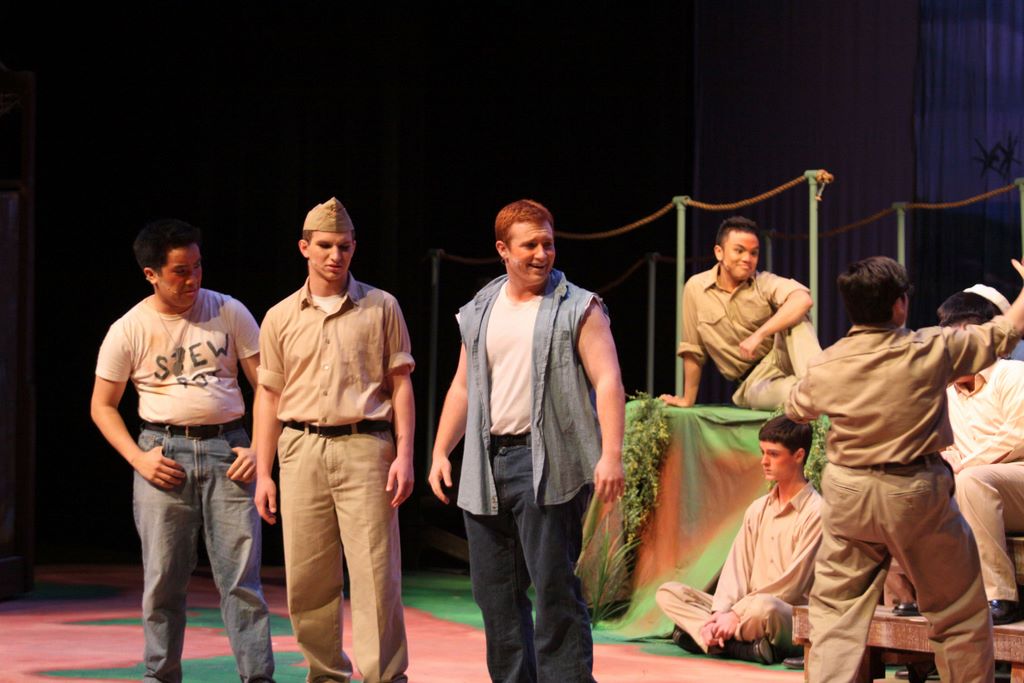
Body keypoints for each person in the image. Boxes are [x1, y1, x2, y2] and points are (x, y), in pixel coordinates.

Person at [786, 255, 1024, 682]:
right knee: (958, 614)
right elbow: (1004, 331)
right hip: (913, 492)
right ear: (900, 305)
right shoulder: (930, 348)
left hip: (849, 496)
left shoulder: (828, 362)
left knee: (835, 617)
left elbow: (796, 408)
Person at [428, 198, 626, 682]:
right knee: (495, 596)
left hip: (547, 463)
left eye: (548, 244)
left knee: (555, 591)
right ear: (503, 249)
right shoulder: (481, 308)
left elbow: (608, 381)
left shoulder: (578, 307)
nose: (542, 254)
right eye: (530, 245)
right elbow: (463, 386)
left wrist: (611, 454)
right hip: (486, 465)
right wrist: (440, 451)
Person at [90, 219, 274, 683]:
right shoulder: (129, 328)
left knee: (242, 581)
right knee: (163, 581)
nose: (192, 279)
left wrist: (258, 448)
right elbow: (102, 405)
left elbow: (268, 389)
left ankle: (258, 677)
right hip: (162, 454)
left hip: (229, 450)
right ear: (151, 274)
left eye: (197, 267)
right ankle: (161, 674)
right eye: (180, 271)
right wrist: (138, 458)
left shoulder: (229, 311)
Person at [252, 197, 413, 683]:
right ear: (304, 247)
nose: (334, 255)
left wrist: (405, 454)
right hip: (300, 448)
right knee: (307, 577)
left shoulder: (381, 306)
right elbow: (269, 396)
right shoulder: (280, 316)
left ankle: (385, 676)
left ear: (354, 248)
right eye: (324, 245)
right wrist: (263, 472)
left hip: (365, 445)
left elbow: (400, 385)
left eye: (343, 246)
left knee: (375, 574)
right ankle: (325, 675)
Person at [656, 415, 821, 665]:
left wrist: (735, 613)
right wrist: (721, 612)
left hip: (785, 614)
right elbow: (737, 569)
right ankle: (733, 643)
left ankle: (709, 639)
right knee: (669, 592)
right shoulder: (758, 508)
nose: (764, 461)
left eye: (773, 454)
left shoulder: (816, 512)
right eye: (762, 452)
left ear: (799, 455)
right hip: (744, 612)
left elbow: (792, 586)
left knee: (766, 607)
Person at [660, 215, 821, 410]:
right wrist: (687, 399)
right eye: (739, 250)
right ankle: (819, 391)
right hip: (755, 380)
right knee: (797, 395)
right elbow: (693, 349)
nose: (747, 259)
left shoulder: (763, 283)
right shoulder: (696, 288)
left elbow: (803, 300)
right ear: (719, 252)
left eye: (754, 253)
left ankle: (818, 383)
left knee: (796, 313)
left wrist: (759, 335)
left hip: (783, 357)